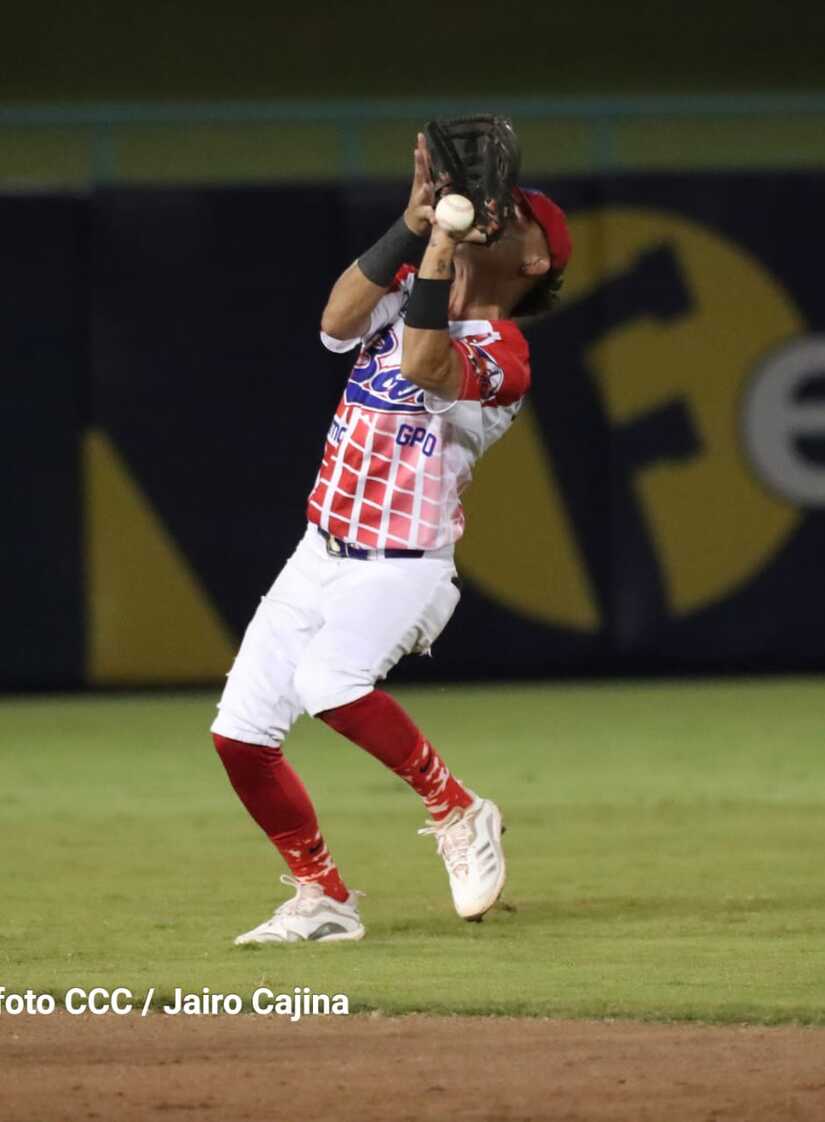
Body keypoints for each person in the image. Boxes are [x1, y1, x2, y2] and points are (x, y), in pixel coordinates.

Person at [210, 130, 571, 944]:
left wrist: (439, 247)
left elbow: (423, 366)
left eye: (517, 215)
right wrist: (412, 224)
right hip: (319, 551)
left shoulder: (506, 354)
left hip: (404, 566)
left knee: (329, 683)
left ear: (536, 260)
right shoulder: (411, 283)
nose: (497, 210)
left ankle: (458, 809)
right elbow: (335, 319)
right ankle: (323, 899)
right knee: (239, 736)